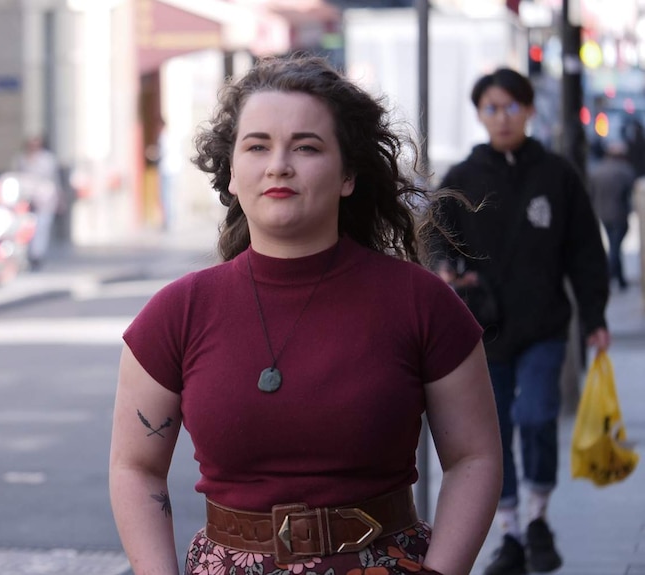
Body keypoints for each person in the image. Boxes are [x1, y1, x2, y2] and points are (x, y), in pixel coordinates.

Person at [109, 55, 502, 575]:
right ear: (230, 172)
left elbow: (474, 456)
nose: (278, 165)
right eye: (257, 146)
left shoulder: (422, 303)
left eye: (307, 147)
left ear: (348, 175)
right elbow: (136, 468)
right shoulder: (177, 314)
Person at [432, 67, 611, 575]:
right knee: (495, 432)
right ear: (479, 114)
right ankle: (508, 532)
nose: (502, 116)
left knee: (535, 416)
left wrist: (594, 315)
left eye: (511, 106)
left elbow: (585, 252)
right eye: (491, 107)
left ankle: (538, 517)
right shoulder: (463, 178)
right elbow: (437, 233)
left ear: (529, 109)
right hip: (482, 332)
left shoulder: (556, 175)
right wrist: (444, 266)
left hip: (545, 326)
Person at [589, 140, 637, 291]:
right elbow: (632, 191)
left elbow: (592, 193)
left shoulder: (598, 171)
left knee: (615, 245)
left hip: (603, 213)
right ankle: (609, 275)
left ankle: (620, 279)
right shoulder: (624, 170)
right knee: (615, 247)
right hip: (618, 213)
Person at [16, 135, 60, 270]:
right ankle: (26, 254)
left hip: (44, 197)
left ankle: (37, 255)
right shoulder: (22, 158)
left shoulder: (47, 159)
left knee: (41, 227)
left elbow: (53, 178)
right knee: (26, 225)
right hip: (27, 196)